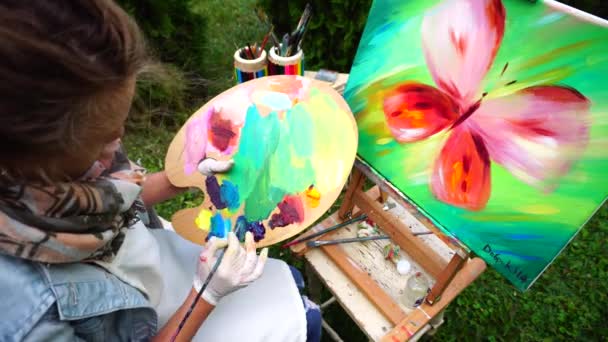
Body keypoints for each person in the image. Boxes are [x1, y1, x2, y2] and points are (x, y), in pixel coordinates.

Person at [0, 1, 320, 341]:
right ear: (36, 158)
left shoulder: (40, 157)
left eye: (120, 127)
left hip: (152, 271)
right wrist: (205, 295)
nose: (118, 144)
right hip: (162, 321)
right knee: (298, 318)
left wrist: (180, 179)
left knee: (283, 288)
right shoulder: (23, 309)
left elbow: (111, 201)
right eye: (101, 142)